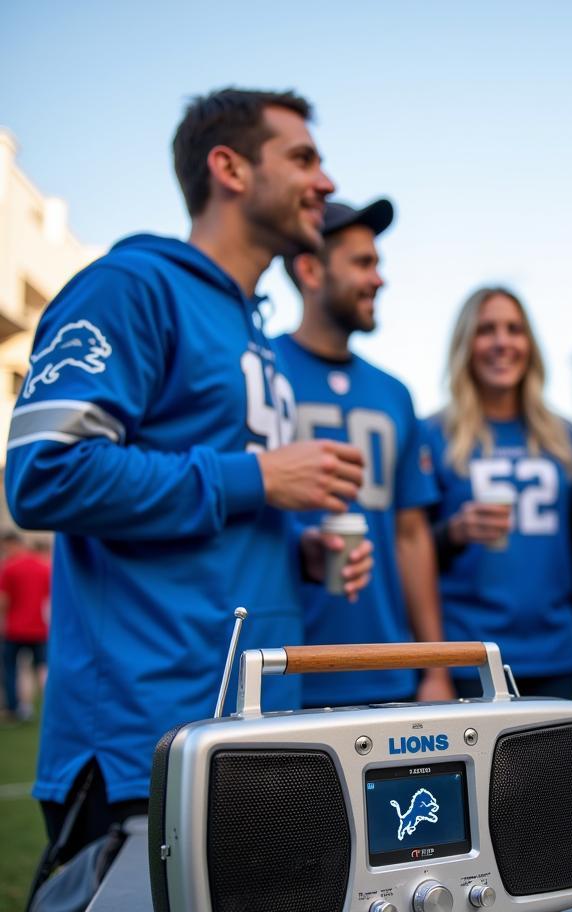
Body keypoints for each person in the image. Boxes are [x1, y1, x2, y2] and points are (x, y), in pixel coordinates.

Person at [4, 88, 373, 859]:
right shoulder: (131, 285)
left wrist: (295, 549)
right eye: (303, 158)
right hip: (150, 745)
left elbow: (224, 503)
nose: (327, 182)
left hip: (262, 729)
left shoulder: (251, 324)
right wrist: (257, 481)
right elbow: (45, 473)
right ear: (229, 168)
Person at [277, 199, 453, 705]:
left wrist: (434, 666)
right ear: (310, 269)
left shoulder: (394, 392)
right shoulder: (259, 373)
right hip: (280, 673)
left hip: (386, 670)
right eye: (362, 263)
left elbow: (412, 535)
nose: (379, 279)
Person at [423, 287, 572, 704]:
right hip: (467, 653)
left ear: (531, 345)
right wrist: (454, 532)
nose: (502, 342)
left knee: (554, 772)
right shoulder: (434, 435)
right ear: (465, 344)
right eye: (487, 330)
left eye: (514, 329)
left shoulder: (564, 437)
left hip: (554, 653)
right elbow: (411, 551)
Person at [0, 532, 50, 721]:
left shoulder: (9, 568)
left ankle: (16, 709)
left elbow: (3, 600)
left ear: (13, 544)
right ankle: (51, 708)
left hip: (15, 629)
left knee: (12, 670)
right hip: (40, 629)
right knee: (43, 670)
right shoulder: (43, 567)